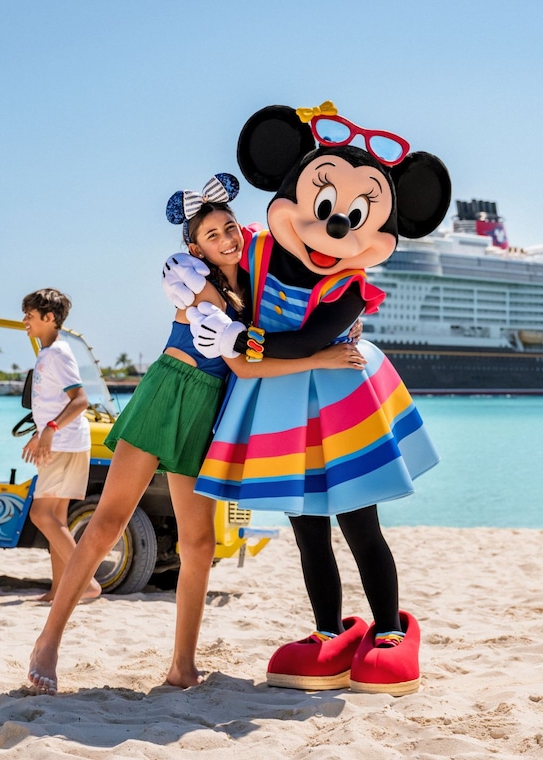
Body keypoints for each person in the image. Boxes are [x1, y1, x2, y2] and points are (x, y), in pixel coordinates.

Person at [27, 174, 366, 692]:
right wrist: (320, 357)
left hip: (208, 409)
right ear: (195, 248)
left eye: (230, 228)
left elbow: (281, 317)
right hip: (169, 392)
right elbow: (249, 365)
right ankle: (47, 644)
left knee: (201, 542)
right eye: (213, 235)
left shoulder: (250, 286)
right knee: (108, 523)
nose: (228, 239)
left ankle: (182, 665)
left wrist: (339, 329)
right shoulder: (200, 288)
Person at [19, 288, 101, 603]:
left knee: (41, 515)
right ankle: (59, 589)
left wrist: (51, 430)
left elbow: (80, 400)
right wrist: (40, 432)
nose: (25, 320)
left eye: (30, 315)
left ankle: (88, 582)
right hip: (62, 442)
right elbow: (52, 404)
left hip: (64, 444)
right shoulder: (49, 353)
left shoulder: (58, 353)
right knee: (57, 519)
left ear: (49, 318)